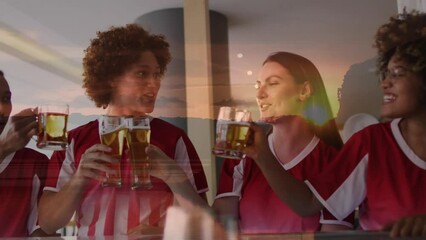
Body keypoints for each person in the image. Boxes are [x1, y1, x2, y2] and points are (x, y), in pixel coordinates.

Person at [243, 11, 426, 238]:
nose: (385, 83)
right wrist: (261, 154)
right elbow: (308, 203)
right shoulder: (371, 142)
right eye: (386, 73)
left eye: (398, 73)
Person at [146, 52, 353, 234]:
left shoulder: (336, 164)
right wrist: (170, 174)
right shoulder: (241, 159)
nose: (259, 94)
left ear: (304, 91)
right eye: (258, 85)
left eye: (272, 83)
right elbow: (217, 229)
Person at [38, 24, 208, 237]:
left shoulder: (174, 138)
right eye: (142, 73)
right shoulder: (74, 140)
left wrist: (167, 233)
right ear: (111, 78)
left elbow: (207, 226)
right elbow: (47, 223)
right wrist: (80, 177)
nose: (154, 84)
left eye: (156, 75)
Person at [0, 70, 49, 237]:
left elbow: (39, 230)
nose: (2, 109)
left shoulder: (35, 163)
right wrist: (2, 148)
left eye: (6, 99)